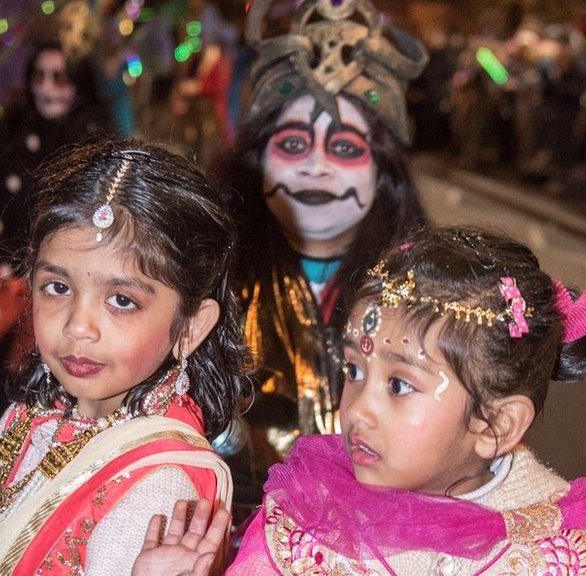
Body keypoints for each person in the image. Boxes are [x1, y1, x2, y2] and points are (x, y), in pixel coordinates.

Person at [137, 226, 586, 576]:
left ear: (496, 424)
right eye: (354, 372)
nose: (356, 409)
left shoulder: (565, 555)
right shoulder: (305, 524)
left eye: (400, 385)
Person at [0, 139, 247, 575]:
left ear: (190, 326)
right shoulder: (33, 420)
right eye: (58, 288)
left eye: (121, 300)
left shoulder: (158, 489)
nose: (78, 326)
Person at [212, 0, 428, 519]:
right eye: (292, 143)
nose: (315, 166)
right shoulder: (205, 280)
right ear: (257, 158)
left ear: (383, 172)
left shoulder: (428, 293)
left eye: (346, 148)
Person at [0, 38, 113, 416]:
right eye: (40, 76)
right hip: (4, 284)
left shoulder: (96, 145)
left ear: (80, 84)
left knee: (52, 400)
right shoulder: (11, 128)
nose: (47, 88)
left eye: (60, 78)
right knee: (4, 390)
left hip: (59, 296)